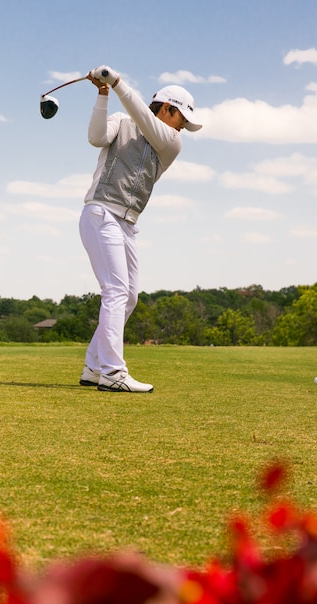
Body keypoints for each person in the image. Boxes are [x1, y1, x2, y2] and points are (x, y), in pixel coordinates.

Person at [77, 66, 202, 393]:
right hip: (101, 212)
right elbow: (96, 138)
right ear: (167, 109)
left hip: (126, 224)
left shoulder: (171, 143)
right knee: (116, 291)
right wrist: (104, 94)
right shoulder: (122, 121)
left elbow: (146, 124)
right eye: (182, 120)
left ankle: (93, 367)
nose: (183, 129)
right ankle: (113, 373)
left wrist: (116, 82)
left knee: (128, 296)